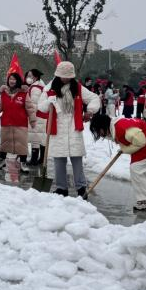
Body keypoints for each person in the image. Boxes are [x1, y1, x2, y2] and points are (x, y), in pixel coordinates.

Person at [37, 61, 101, 197]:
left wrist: (90, 111)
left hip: (73, 127)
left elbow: (94, 98)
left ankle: (81, 187)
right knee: (59, 160)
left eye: (68, 76)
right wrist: (49, 101)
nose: (66, 79)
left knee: (77, 159)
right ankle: (61, 188)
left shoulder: (77, 87)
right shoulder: (49, 89)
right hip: (57, 127)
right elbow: (41, 107)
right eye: (63, 76)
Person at [90, 113, 146, 211]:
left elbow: (141, 141)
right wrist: (124, 147)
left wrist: (125, 149)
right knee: (144, 172)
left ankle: (144, 201)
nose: (99, 134)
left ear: (103, 125)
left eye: (98, 130)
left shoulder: (121, 128)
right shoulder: (114, 127)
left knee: (136, 170)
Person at [0, 72, 36, 172]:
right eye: (10, 79)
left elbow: (30, 108)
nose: (12, 81)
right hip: (6, 122)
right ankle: (2, 161)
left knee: (22, 144)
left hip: (20, 123)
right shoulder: (4, 94)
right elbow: (0, 106)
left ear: (18, 81)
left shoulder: (23, 94)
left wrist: (32, 120)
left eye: (14, 79)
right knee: (4, 143)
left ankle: (23, 163)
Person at [25, 69, 47, 166]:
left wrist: (31, 116)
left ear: (36, 77)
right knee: (41, 137)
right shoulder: (41, 86)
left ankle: (34, 159)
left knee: (35, 137)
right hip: (42, 115)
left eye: (30, 76)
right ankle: (41, 159)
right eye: (28, 76)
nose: (28, 78)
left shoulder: (35, 88)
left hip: (37, 116)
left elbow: (34, 104)